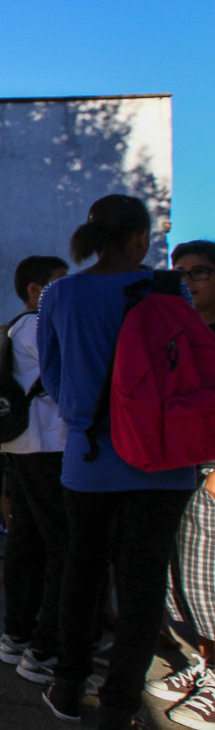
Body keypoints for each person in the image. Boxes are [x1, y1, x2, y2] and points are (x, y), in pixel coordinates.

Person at [38, 195, 196, 728]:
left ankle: (68, 682)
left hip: (91, 454)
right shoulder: (171, 291)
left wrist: (90, 411)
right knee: (144, 581)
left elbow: (55, 380)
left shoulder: (60, 295)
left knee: (83, 572)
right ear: (140, 239)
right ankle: (121, 702)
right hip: (164, 458)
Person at [0, 255, 70, 687]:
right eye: (62, 282)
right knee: (61, 545)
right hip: (49, 445)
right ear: (36, 291)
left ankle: (17, 634)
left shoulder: (15, 328)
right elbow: (67, 381)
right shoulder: (42, 326)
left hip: (22, 445)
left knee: (27, 543)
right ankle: (44, 647)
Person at [148, 239, 215, 728]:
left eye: (201, 273)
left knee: (208, 582)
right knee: (183, 582)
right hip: (182, 470)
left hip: (211, 474)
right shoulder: (188, 329)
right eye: (181, 273)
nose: (188, 282)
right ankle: (204, 665)